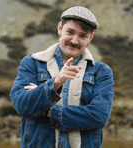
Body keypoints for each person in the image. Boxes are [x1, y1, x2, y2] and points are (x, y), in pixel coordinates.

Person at [10, 6, 114, 148]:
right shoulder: (31, 63)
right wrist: (56, 83)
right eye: (70, 32)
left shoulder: (101, 72)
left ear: (90, 38)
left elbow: (99, 117)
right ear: (60, 28)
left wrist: (48, 110)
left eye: (83, 35)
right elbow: (23, 105)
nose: (75, 41)